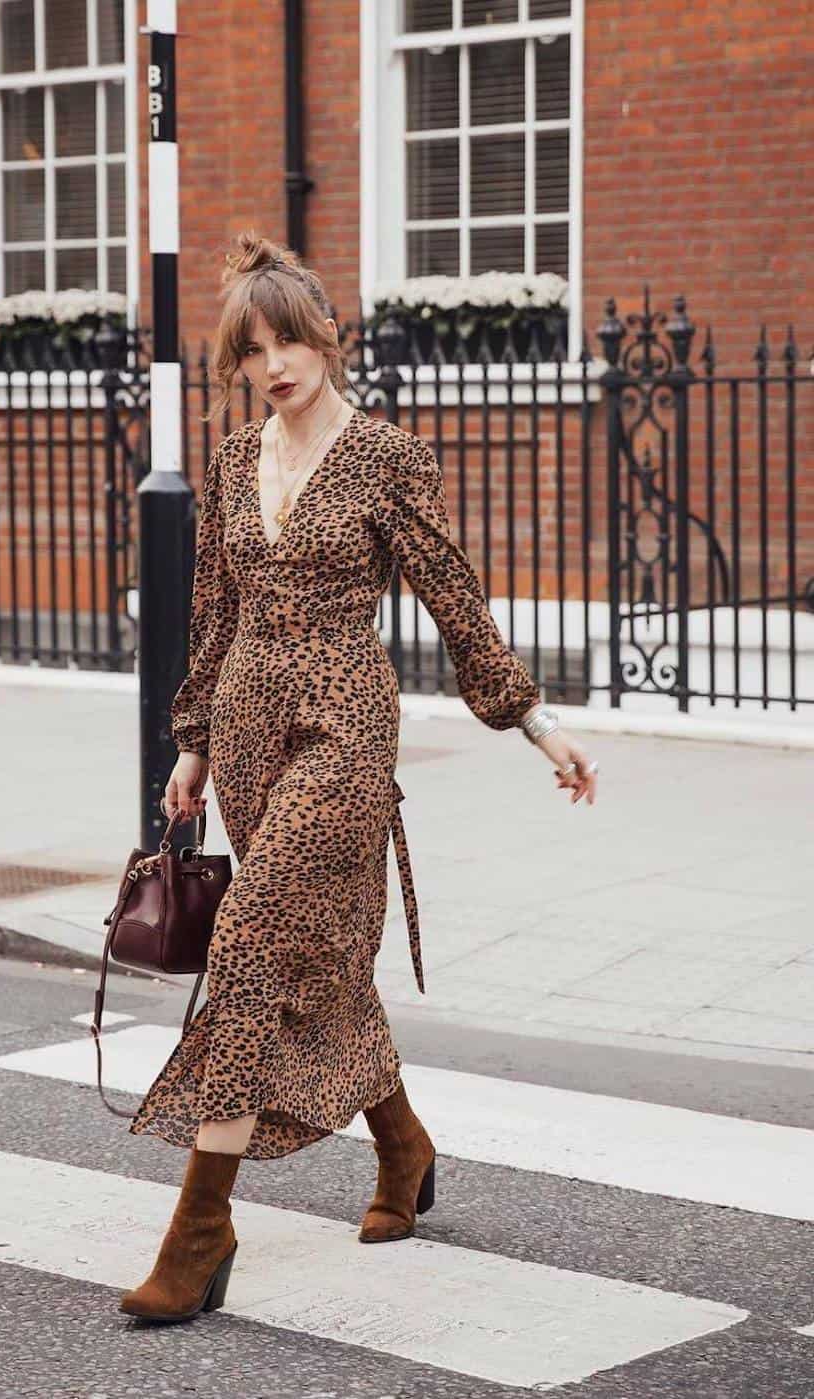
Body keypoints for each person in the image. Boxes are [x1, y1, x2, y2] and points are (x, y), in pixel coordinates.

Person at [117, 232, 599, 1324]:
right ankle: (405, 1149)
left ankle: (201, 1227)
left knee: (249, 940)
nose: (274, 360)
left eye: (289, 337)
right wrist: (191, 743)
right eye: (252, 346)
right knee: (319, 954)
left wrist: (533, 721)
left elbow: (453, 595)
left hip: (341, 724)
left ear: (325, 337)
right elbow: (214, 611)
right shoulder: (237, 459)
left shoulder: (385, 456)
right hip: (244, 725)